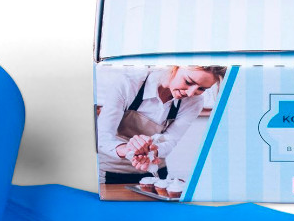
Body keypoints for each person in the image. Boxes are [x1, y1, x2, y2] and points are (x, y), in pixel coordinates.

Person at [96, 65, 227, 183]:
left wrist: (152, 152)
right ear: (174, 67)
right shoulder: (129, 84)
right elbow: (103, 137)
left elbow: (171, 140)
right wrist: (129, 150)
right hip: (111, 173)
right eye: (188, 82)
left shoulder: (194, 102)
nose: (191, 93)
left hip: (155, 173)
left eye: (201, 88)